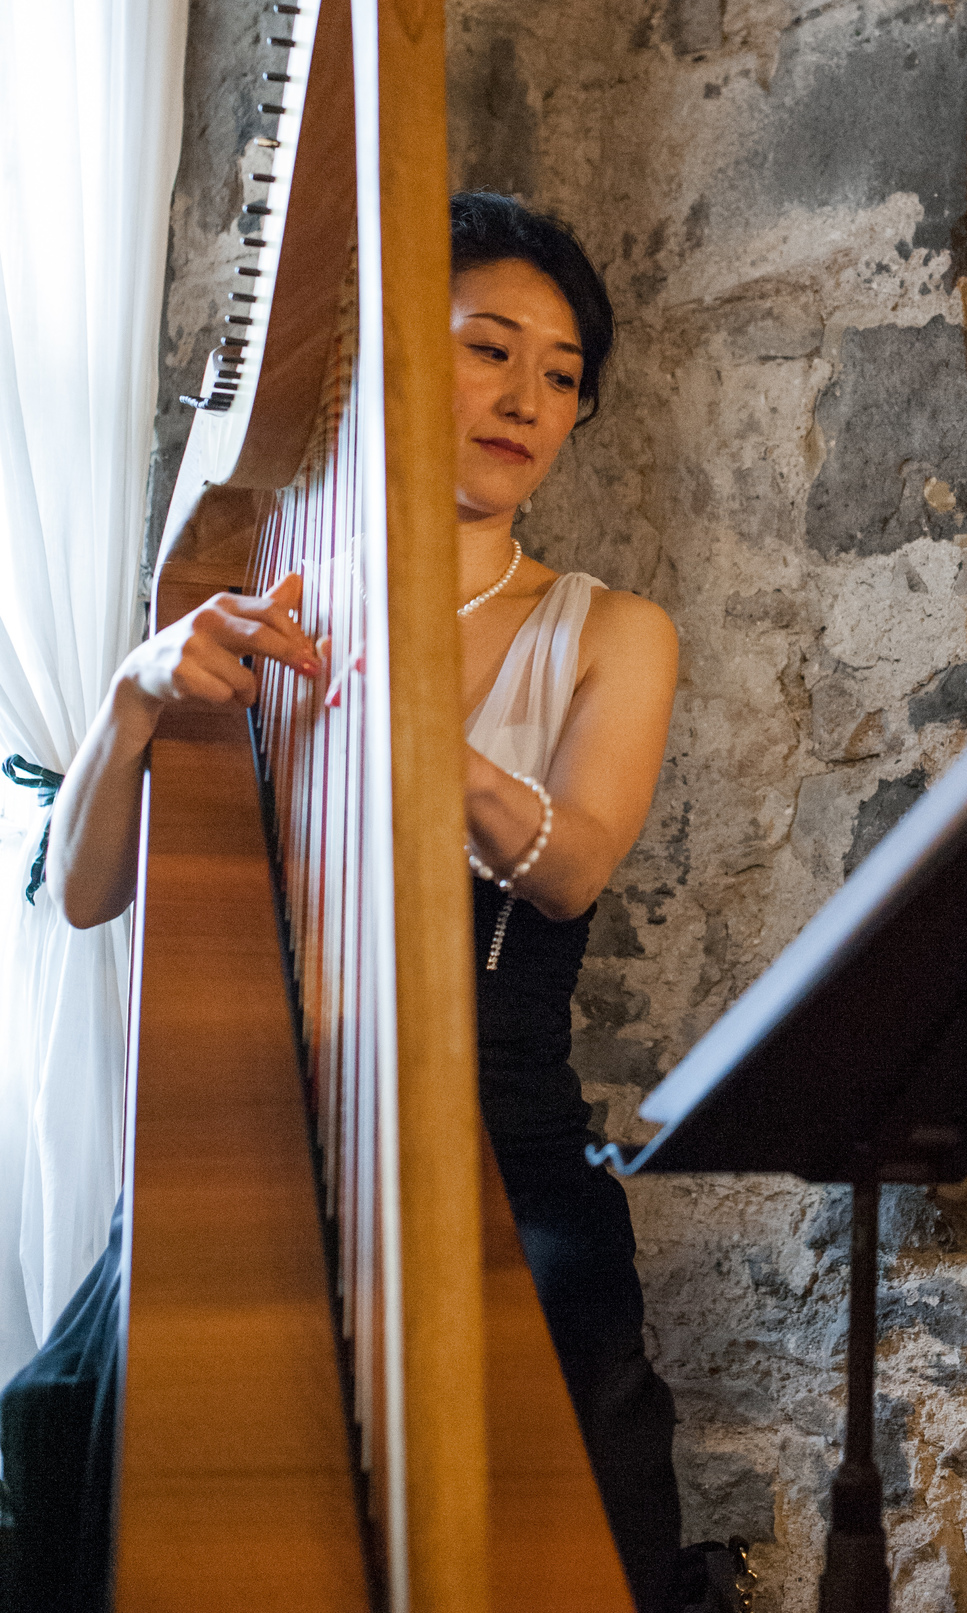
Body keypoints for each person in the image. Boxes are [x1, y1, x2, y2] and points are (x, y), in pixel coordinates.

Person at [0, 192, 752, 1613]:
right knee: (67, 1411)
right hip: (261, 1136)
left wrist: (422, 734)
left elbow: (573, 864)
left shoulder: (611, 630)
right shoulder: (257, 606)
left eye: (561, 374)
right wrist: (135, 693)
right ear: (393, 363)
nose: (525, 399)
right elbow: (91, 897)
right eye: (489, 349)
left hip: (500, 1136)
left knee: (562, 1401)